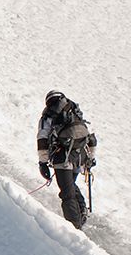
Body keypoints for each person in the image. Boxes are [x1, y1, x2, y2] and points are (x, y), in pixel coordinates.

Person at [37, 90, 97, 229]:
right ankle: (82, 211)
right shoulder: (74, 111)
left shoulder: (48, 116)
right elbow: (90, 136)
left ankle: (75, 228)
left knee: (67, 193)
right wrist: (91, 158)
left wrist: (43, 163)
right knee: (70, 185)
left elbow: (42, 139)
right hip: (80, 155)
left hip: (62, 157)